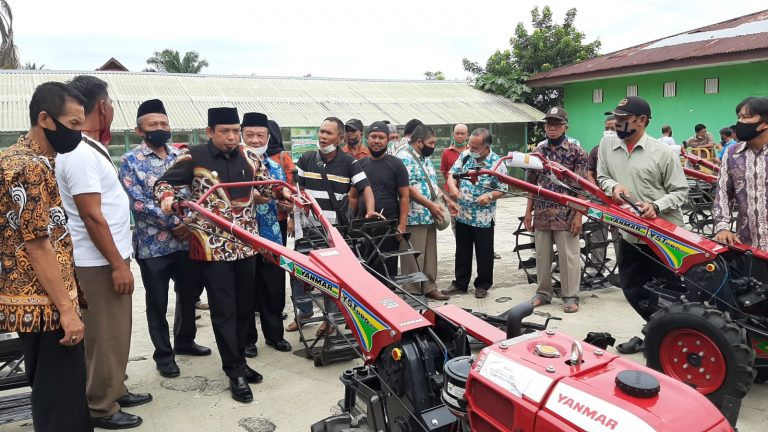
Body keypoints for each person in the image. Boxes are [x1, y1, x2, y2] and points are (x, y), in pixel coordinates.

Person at [156, 107, 284, 403]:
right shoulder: (194, 156)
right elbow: (164, 183)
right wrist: (168, 198)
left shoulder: (250, 157)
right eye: (224, 131)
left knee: (242, 308)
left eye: (235, 131)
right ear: (210, 132)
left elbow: (267, 187)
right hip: (213, 247)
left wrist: (283, 193)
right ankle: (234, 371)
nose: (231, 137)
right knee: (224, 310)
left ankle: (239, 360)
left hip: (247, 245)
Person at [56, 75, 150, 429]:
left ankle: (115, 388)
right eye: (110, 104)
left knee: (117, 331)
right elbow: (91, 216)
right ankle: (100, 405)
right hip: (97, 262)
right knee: (102, 335)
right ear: (102, 107)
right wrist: (116, 264)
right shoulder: (78, 153)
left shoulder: (91, 147)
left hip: (109, 257)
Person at [0, 82, 91, 432]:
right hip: (47, 305)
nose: (78, 134)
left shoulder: (11, 158)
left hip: (26, 299)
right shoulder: (32, 168)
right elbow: (38, 245)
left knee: (55, 396)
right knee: (61, 405)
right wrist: (68, 314)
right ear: (44, 118)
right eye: (72, 125)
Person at [118, 99, 211, 380]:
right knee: (157, 302)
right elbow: (138, 203)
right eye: (153, 125)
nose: (160, 128)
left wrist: (189, 223)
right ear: (139, 130)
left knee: (188, 294)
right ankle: (164, 354)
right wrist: (175, 222)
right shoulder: (130, 161)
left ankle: (185, 341)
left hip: (186, 241)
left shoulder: (183, 156)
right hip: (153, 246)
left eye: (164, 123)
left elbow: (196, 194)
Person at [597, 96, 688, 354]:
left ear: (642, 121)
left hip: (663, 235)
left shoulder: (662, 153)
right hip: (630, 233)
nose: (617, 124)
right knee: (632, 287)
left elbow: (681, 191)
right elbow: (602, 176)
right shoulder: (607, 146)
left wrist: (656, 205)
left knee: (670, 290)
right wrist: (613, 187)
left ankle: (670, 338)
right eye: (616, 119)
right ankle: (656, 332)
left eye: (624, 120)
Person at [288, 117, 377, 334]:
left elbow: (366, 187)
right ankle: (305, 310)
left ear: (340, 138)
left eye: (328, 133)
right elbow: (296, 192)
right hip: (308, 227)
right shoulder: (306, 159)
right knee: (297, 272)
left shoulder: (349, 162)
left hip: (333, 231)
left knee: (330, 276)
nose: (322, 136)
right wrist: (292, 218)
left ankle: (330, 319)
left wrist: (370, 210)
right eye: (321, 132)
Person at [525, 107, 587, 313]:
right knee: (542, 255)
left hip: (567, 213)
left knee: (569, 256)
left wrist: (579, 215)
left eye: (556, 124)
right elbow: (531, 185)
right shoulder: (538, 152)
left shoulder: (576, 151)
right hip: (542, 212)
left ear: (565, 126)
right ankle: (543, 293)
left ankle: (570, 295)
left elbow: (582, 187)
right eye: (548, 124)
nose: (551, 128)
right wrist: (528, 212)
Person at [240, 112, 292, 356]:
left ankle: (275, 336)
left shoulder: (275, 168)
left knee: (273, 288)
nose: (254, 140)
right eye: (249, 135)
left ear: (268, 137)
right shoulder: (235, 167)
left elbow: (281, 196)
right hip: (242, 239)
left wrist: (286, 205)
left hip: (271, 235)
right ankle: (248, 340)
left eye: (260, 135)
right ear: (241, 136)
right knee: (246, 290)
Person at [441, 128, 507, 299]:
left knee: (484, 252)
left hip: (483, 217)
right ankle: (460, 283)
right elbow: (451, 175)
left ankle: (483, 285)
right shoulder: (465, 156)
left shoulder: (497, 163)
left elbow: (503, 189)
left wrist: (490, 195)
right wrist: (454, 188)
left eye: (476, 148)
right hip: (463, 214)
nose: (472, 150)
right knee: (462, 251)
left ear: (487, 147)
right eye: (470, 145)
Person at [397, 125, 451, 300]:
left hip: (429, 213)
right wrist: (429, 205)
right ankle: (412, 291)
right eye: (431, 143)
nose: (433, 146)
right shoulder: (404, 157)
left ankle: (429, 287)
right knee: (413, 255)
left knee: (429, 253)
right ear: (419, 141)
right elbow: (408, 188)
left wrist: (446, 200)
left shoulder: (425, 158)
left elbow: (431, 183)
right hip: (413, 215)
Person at [714, 96, 768, 251]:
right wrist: (723, 227)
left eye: (746, 117)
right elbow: (723, 192)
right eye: (739, 118)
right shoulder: (732, 153)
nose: (740, 122)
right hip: (747, 248)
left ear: (765, 123)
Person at [357, 121, 410, 278]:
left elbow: (404, 196)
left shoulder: (397, 165)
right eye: (373, 137)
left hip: (388, 227)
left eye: (381, 137)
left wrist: (402, 225)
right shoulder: (359, 165)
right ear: (367, 138)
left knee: (387, 271)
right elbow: (353, 196)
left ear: (388, 140)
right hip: (363, 225)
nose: (376, 141)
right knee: (364, 269)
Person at [586, 116, 619, 272]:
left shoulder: (623, 150)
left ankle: (625, 269)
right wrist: (596, 190)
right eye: (607, 128)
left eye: (613, 128)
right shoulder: (596, 150)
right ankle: (596, 267)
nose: (609, 131)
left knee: (621, 236)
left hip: (620, 202)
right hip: (597, 200)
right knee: (596, 233)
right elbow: (589, 173)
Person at [266, 119, 296, 246]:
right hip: (255, 219)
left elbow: (291, 188)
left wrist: (292, 219)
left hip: (279, 218)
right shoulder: (251, 156)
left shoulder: (283, 157)